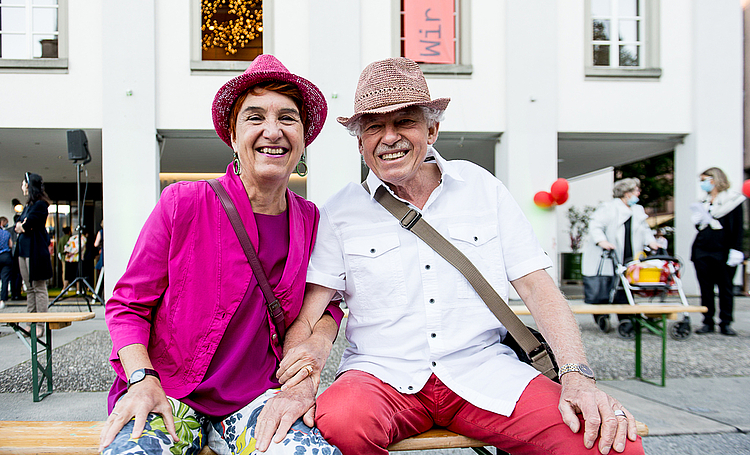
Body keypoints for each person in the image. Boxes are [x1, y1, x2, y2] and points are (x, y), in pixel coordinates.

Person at [279, 58, 644, 455]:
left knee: (611, 444)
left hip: (485, 370)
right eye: (374, 127)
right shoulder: (340, 211)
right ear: (360, 142)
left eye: (405, 122)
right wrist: (301, 380)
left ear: (432, 129)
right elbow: (310, 315)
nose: (389, 137)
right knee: (339, 423)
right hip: (380, 375)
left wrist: (577, 376)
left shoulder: (482, 188)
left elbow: (538, 288)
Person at [99, 54, 344, 455]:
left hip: (257, 398)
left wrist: (310, 361)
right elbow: (128, 306)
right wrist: (142, 380)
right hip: (170, 392)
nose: (273, 130)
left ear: (303, 137)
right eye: (255, 118)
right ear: (232, 135)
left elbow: (326, 304)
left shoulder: (312, 220)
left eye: (287, 117)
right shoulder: (183, 202)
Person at [581, 178, 660, 332]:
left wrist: (652, 242)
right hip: (610, 254)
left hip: (629, 255)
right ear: (626, 193)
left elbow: (645, 230)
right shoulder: (609, 208)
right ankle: (602, 316)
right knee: (607, 287)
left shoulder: (638, 210)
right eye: (636, 190)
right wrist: (602, 241)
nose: (639, 193)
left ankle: (625, 319)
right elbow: (595, 226)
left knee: (625, 287)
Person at [690, 167, 745, 336]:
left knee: (725, 288)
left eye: (704, 179)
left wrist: (737, 250)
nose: (702, 184)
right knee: (705, 288)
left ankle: (726, 322)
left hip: (723, 251)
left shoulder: (733, 200)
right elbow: (699, 227)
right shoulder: (703, 202)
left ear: (714, 179)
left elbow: (738, 228)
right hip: (702, 250)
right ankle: (708, 321)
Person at [14, 172, 53, 334]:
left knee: (38, 287)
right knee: (29, 288)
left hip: (35, 251)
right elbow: (19, 223)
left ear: (30, 186)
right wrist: (22, 224)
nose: (22, 186)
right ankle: (30, 321)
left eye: (24, 183)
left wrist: (23, 225)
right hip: (23, 251)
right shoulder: (29, 206)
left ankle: (41, 324)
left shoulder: (40, 205)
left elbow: (27, 224)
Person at [0, 216, 12, 309]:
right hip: (6, 256)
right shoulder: (6, 233)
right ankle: (2, 300)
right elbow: (11, 245)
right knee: (5, 279)